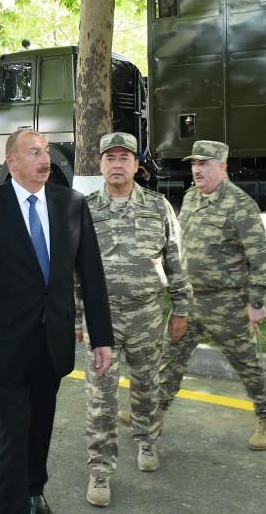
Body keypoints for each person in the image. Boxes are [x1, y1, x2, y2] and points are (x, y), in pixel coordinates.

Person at [0, 128, 114, 514]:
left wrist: (102, 336)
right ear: (12, 161)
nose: (45, 160)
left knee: (40, 426)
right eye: (34, 153)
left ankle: (34, 489)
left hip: (52, 344)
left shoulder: (71, 203)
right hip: (4, 347)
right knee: (12, 433)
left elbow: (91, 275)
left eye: (46, 152)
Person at [76, 132, 191, 507]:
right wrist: (76, 317)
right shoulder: (85, 209)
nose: (117, 164)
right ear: (100, 165)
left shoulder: (159, 207)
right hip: (101, 317)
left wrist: (181, 309)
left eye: (124, 157)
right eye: (110, 158)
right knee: (101, 396)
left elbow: (175, 260)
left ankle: (146, 440)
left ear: (136, 166)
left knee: (147, 384)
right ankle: (100, 470)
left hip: (146, 314)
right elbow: (73, 269)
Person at [156, 140, 266, 450]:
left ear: (222, 166)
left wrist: (256, 303)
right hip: (190, 301)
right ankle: (152, 414)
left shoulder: (240, 205)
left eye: (204, 164)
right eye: (194, 164)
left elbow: (261, 258)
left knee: (247, 363)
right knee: (169, 358)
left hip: (227, 303)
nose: (197, 169)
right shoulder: (190, 198)